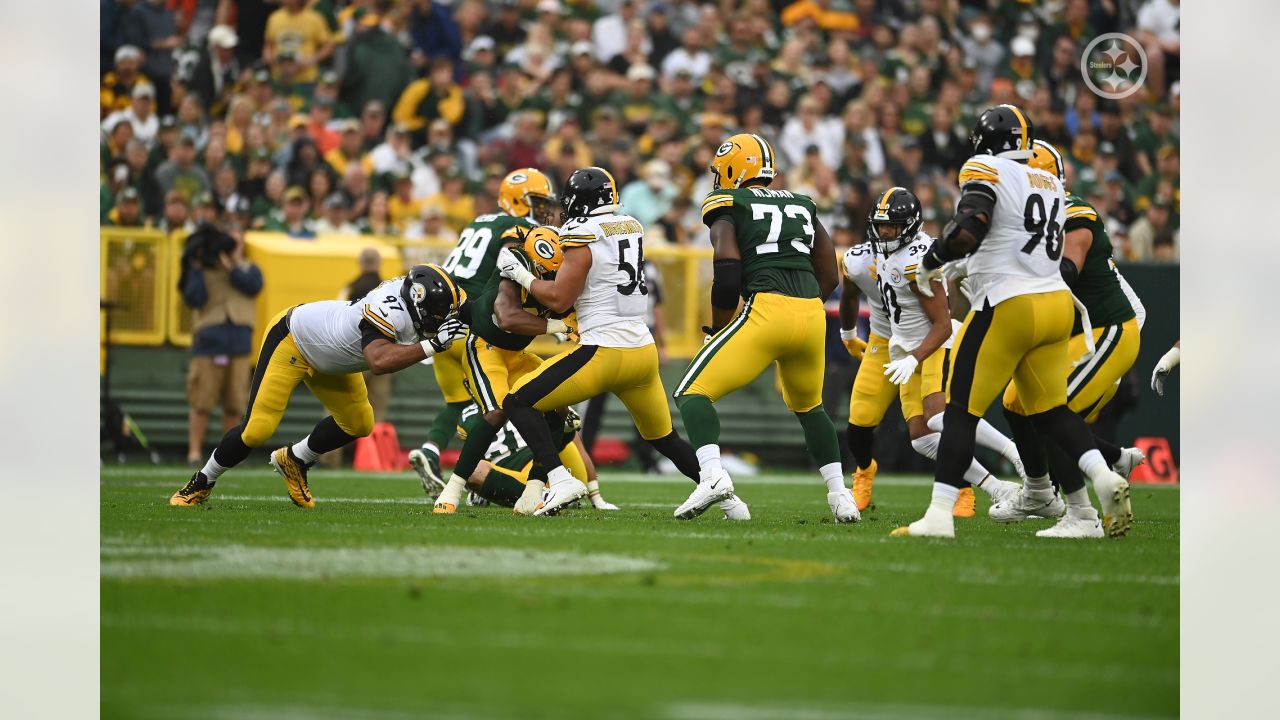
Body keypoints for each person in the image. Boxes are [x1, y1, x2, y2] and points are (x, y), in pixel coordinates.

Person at [900, 104, 1131, 539]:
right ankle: (1101, 482)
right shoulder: (1049, 181)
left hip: (1010, 304)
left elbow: (972, 224)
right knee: (1052, 411)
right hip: (1055, 306)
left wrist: (934, 260)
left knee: (962, 410)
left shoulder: (984, 167)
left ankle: (939, 515)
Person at [493, 167, 705, 516]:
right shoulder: (632, 225)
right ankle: (723, 490)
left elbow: (559, 299)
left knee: (519, 401)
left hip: (603, 351)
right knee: (664, 438)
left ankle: (560, 481)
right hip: (642, 348)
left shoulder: (581, 231)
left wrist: (521, 275)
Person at [170, 265, 468, 507]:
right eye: (435, 318)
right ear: (417, 302)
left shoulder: (419, 299)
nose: (438, 323)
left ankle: (295, 458)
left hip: (334, 357)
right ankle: (202, 481)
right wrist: (433, 345)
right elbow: (378, 361)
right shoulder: (388, 308)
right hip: (295, 340)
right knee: (257, 429)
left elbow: (468, 309)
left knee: (359, 422)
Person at [670, 134, 852, 523]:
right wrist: (803, 303)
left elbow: (728, 270)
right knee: (810, 408)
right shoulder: (802, 202)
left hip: (767, 309)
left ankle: (714, 476)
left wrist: (719, 327)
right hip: (812, 315)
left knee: (692, 391)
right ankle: (840, 496)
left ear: (735, 169)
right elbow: (830, 275)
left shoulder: (729, 203)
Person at [993, 140, 1149, 525]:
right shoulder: (1024, 223)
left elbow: (1068, 269)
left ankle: (1083, 516)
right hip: (1071, 333)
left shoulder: (1074, 213)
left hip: (1105, 330)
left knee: (1049, 414)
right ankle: (1040, 493)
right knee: (1015, 402)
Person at [842, 188, 1022, 515]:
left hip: (932, 342)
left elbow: (941, 322)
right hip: (896, 343)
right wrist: (848, 333)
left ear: (909, 226)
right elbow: (850, 294)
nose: (885, 232)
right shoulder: (862, 259)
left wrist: (914, 357)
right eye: (881, 225)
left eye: (893, 226)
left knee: (940, 417)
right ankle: (998, 488)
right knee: (915, 437)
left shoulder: (918, 258)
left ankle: (1009, 460)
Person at [408, 169, 558, 496]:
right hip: (476, 325)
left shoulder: (478, 220)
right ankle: (477, 480)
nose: (543, 208)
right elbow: (509, 258)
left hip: (443, 321)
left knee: (458, 403)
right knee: (498, 405)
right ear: (518, 199)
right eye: (538, 201)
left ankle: (431, 450)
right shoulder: (517, 227)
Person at [431, 228, 602, 514]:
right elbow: (507, 317)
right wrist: (559, 327)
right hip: (486, 348)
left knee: (560, 408)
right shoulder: (512, 265)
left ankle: (535, 489)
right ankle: (453, 489)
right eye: (547, 273)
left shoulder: (560, 273)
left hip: (518, 354)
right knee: (496, 412)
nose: (552, 280)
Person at [178, 215, 264, 465]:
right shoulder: (202, 268)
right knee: (201, 401)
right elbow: (193, 298)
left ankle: (228, 454)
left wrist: (233, 264)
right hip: (209, 338)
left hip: (238, 340)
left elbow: (252, 287)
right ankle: (194, 451)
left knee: (234, 403)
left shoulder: (251, 269)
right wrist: (197, 264)